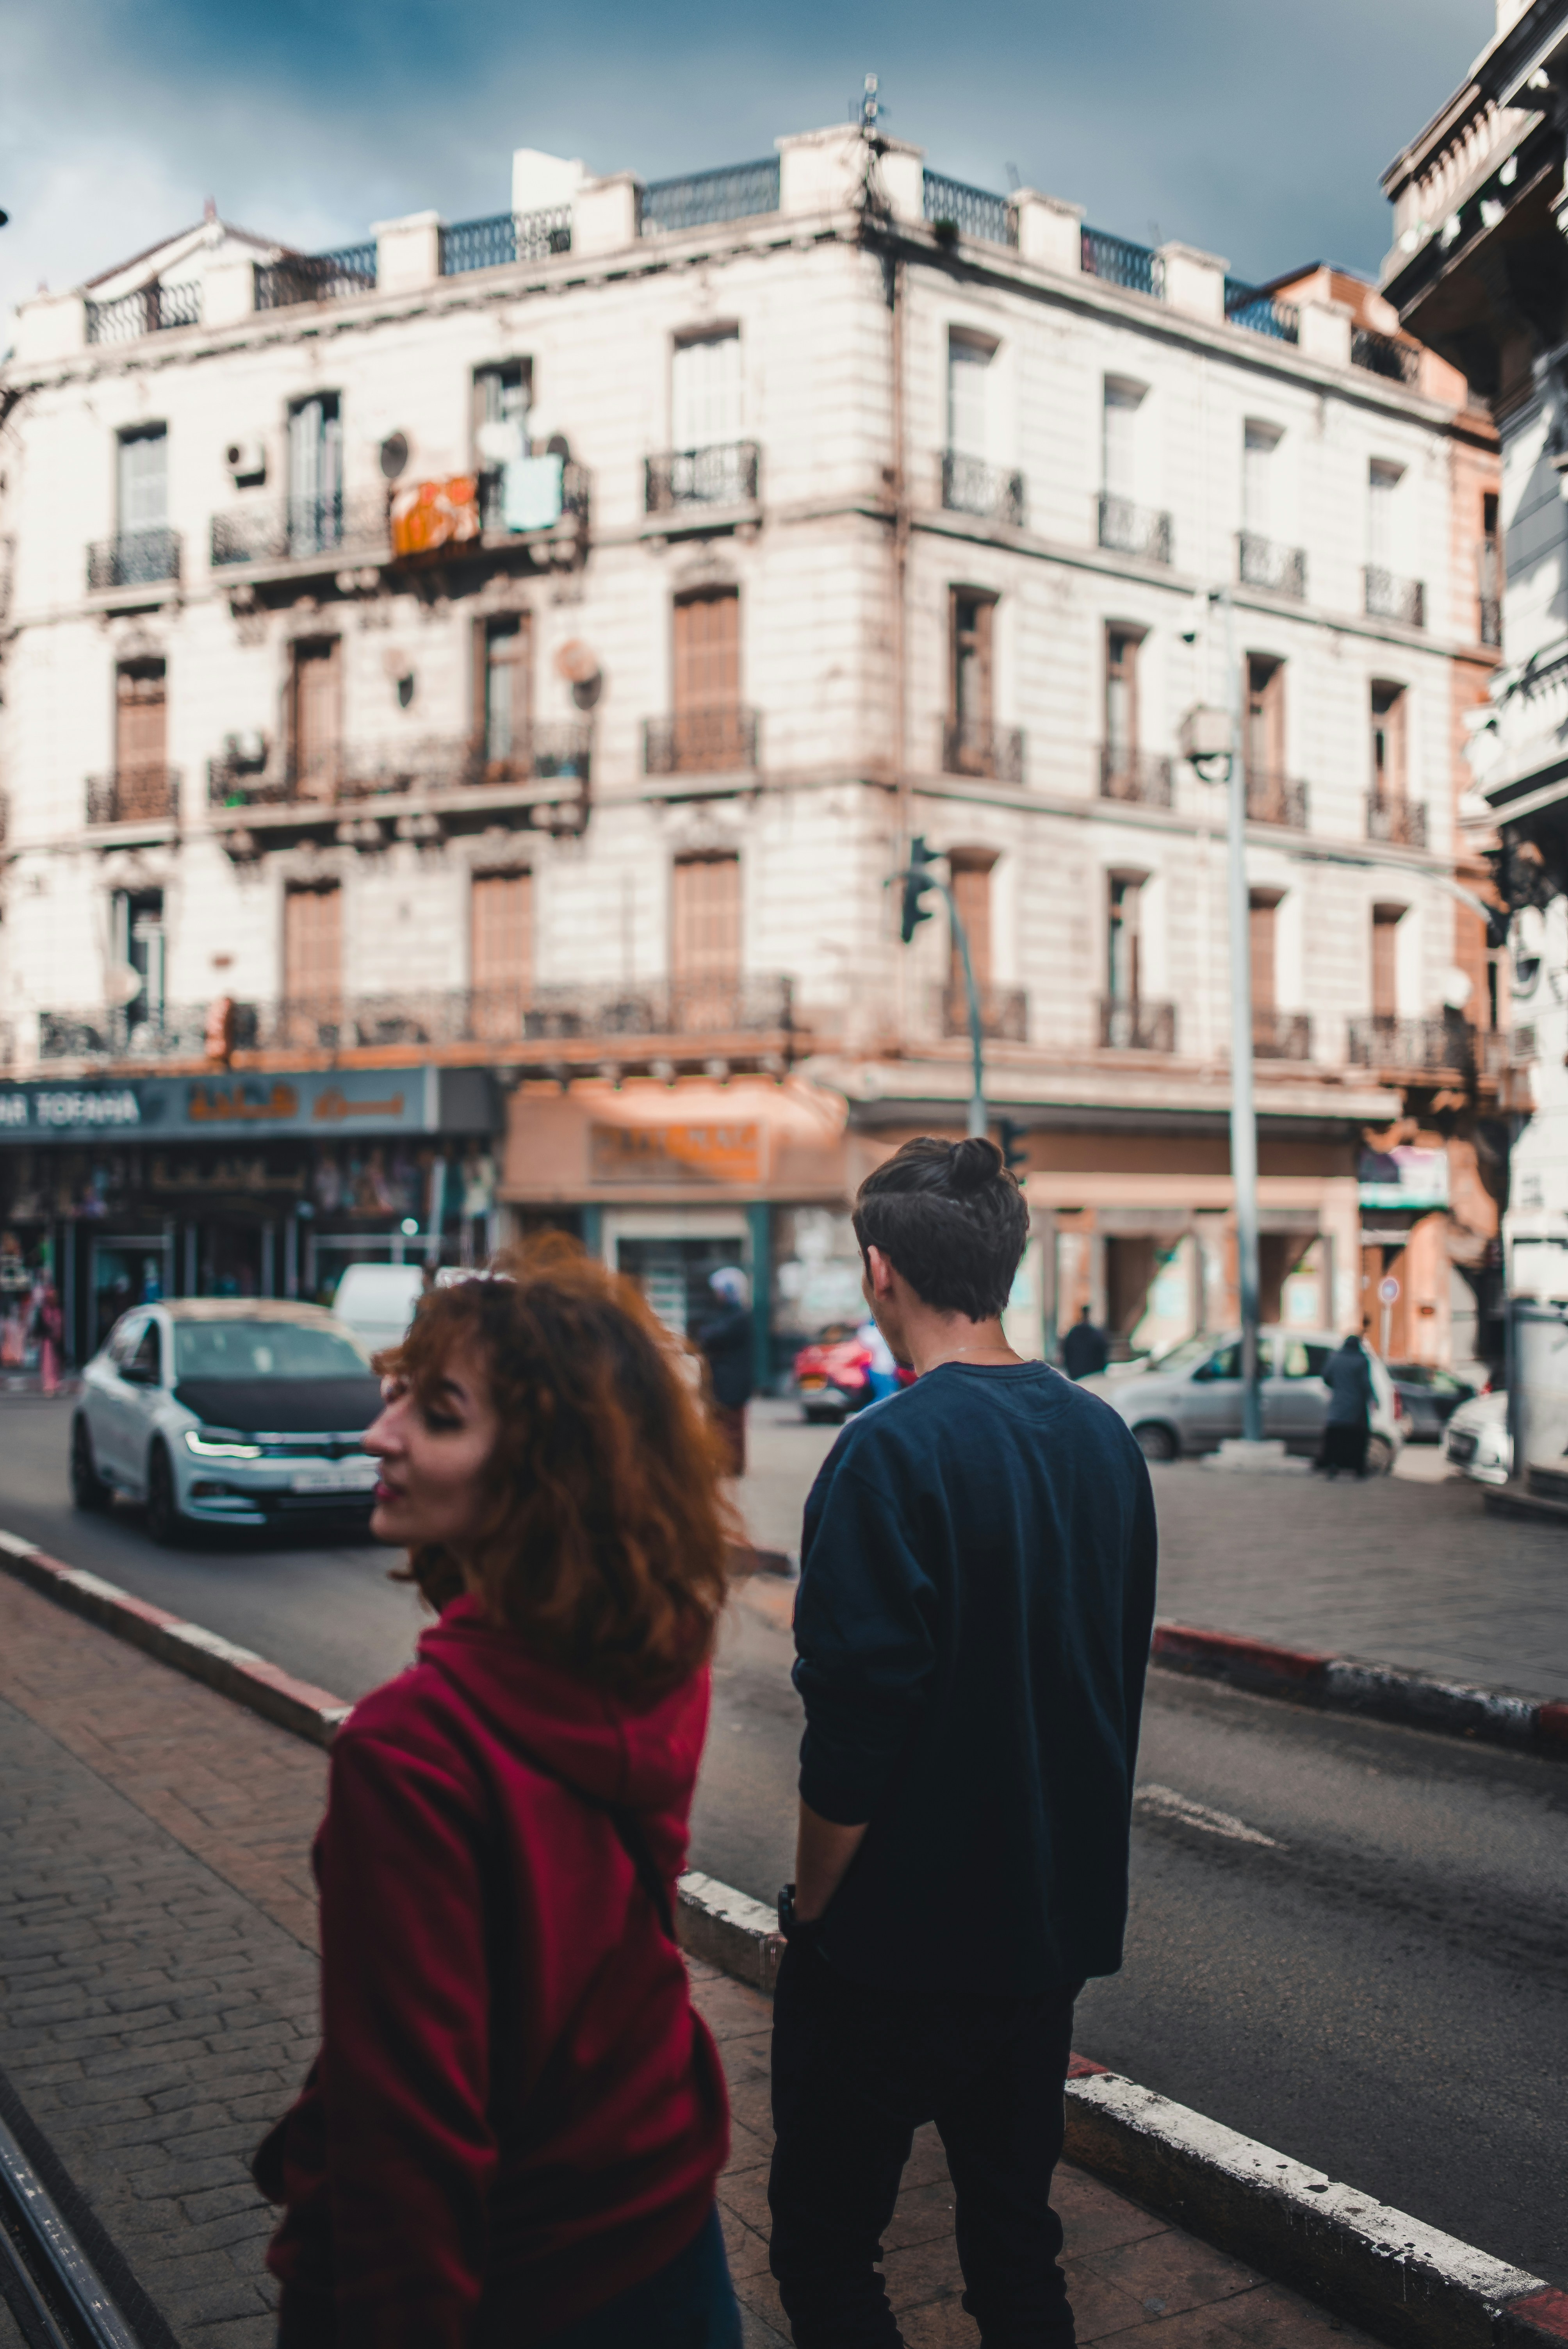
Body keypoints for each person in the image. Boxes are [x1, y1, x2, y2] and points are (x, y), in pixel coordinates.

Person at [255, 1237, 741, 2348]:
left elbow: (410, 2144)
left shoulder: (410, 1752)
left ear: (540, 1471)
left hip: (514, 2273)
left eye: (436, 1413)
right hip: (664, 2208)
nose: (378, 1433)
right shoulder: (656, 1653)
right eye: (396, 1399)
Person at [768, 1136, 1158, 2349]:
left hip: (895, 1947)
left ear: (880, 1270)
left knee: (828, 2253)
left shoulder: (888, 1451)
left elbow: (854, 1722)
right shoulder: (1105, 1442)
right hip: (1044, 1940)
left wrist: (812, 1911)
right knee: (1013, 2242)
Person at [692, 1264, 755, 1475]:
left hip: (732, 1381)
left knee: (732, 1426)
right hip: (721, 1380)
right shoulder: (725, 1314)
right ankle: (722, 1462)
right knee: (719, 1424)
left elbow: (710, 1337)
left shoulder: (739, 1317)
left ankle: (733, 1465)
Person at [1318, 1330, 1375, 1478]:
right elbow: (1366, 1384)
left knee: (1336, 1441)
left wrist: (1338, 1388)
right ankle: (1358, 1469)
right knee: (1357, 1440)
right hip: (1357, 1409)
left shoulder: (1335, 1358)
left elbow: (1326, 1377)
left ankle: (1333, 1466)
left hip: (1337, 1407)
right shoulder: (1361, 1360)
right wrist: (1373, 1398)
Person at [1061, 1302, 1110, 1381]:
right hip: (1091, 1375)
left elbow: (1066, 1352)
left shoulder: (1074, 1333)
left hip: (1077, 1374)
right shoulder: (1095, 1334)